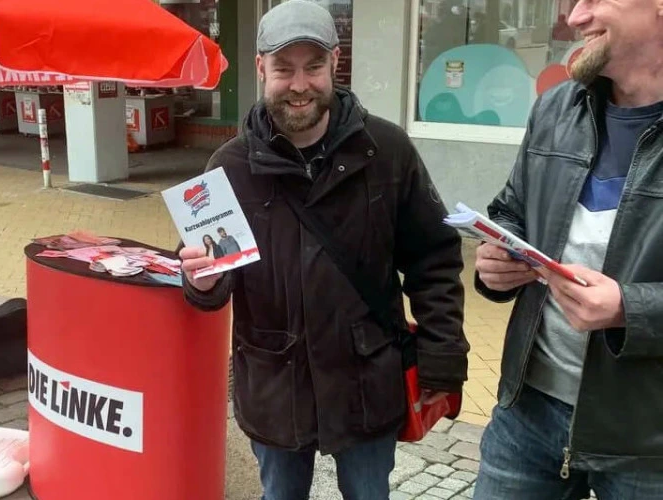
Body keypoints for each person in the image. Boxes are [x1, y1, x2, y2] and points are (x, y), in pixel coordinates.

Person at [178, 1, 469, 498]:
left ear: (336, 62)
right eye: (284, 69)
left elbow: (434, 260)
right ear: (260, 69)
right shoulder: (227, 167)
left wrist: (442, 358)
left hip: (366, 380)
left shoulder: (387, 150)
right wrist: (201, 281)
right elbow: (207, 274)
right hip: (275, 386)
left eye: (313, 67)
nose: (299, 85)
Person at [472, 1, 663, 498]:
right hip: (528, 412)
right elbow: (512, 208)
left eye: (595, 0)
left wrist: (629, 308)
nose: (575, 18)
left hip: (649, 439)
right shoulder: (557, 106)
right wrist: (497, 259)